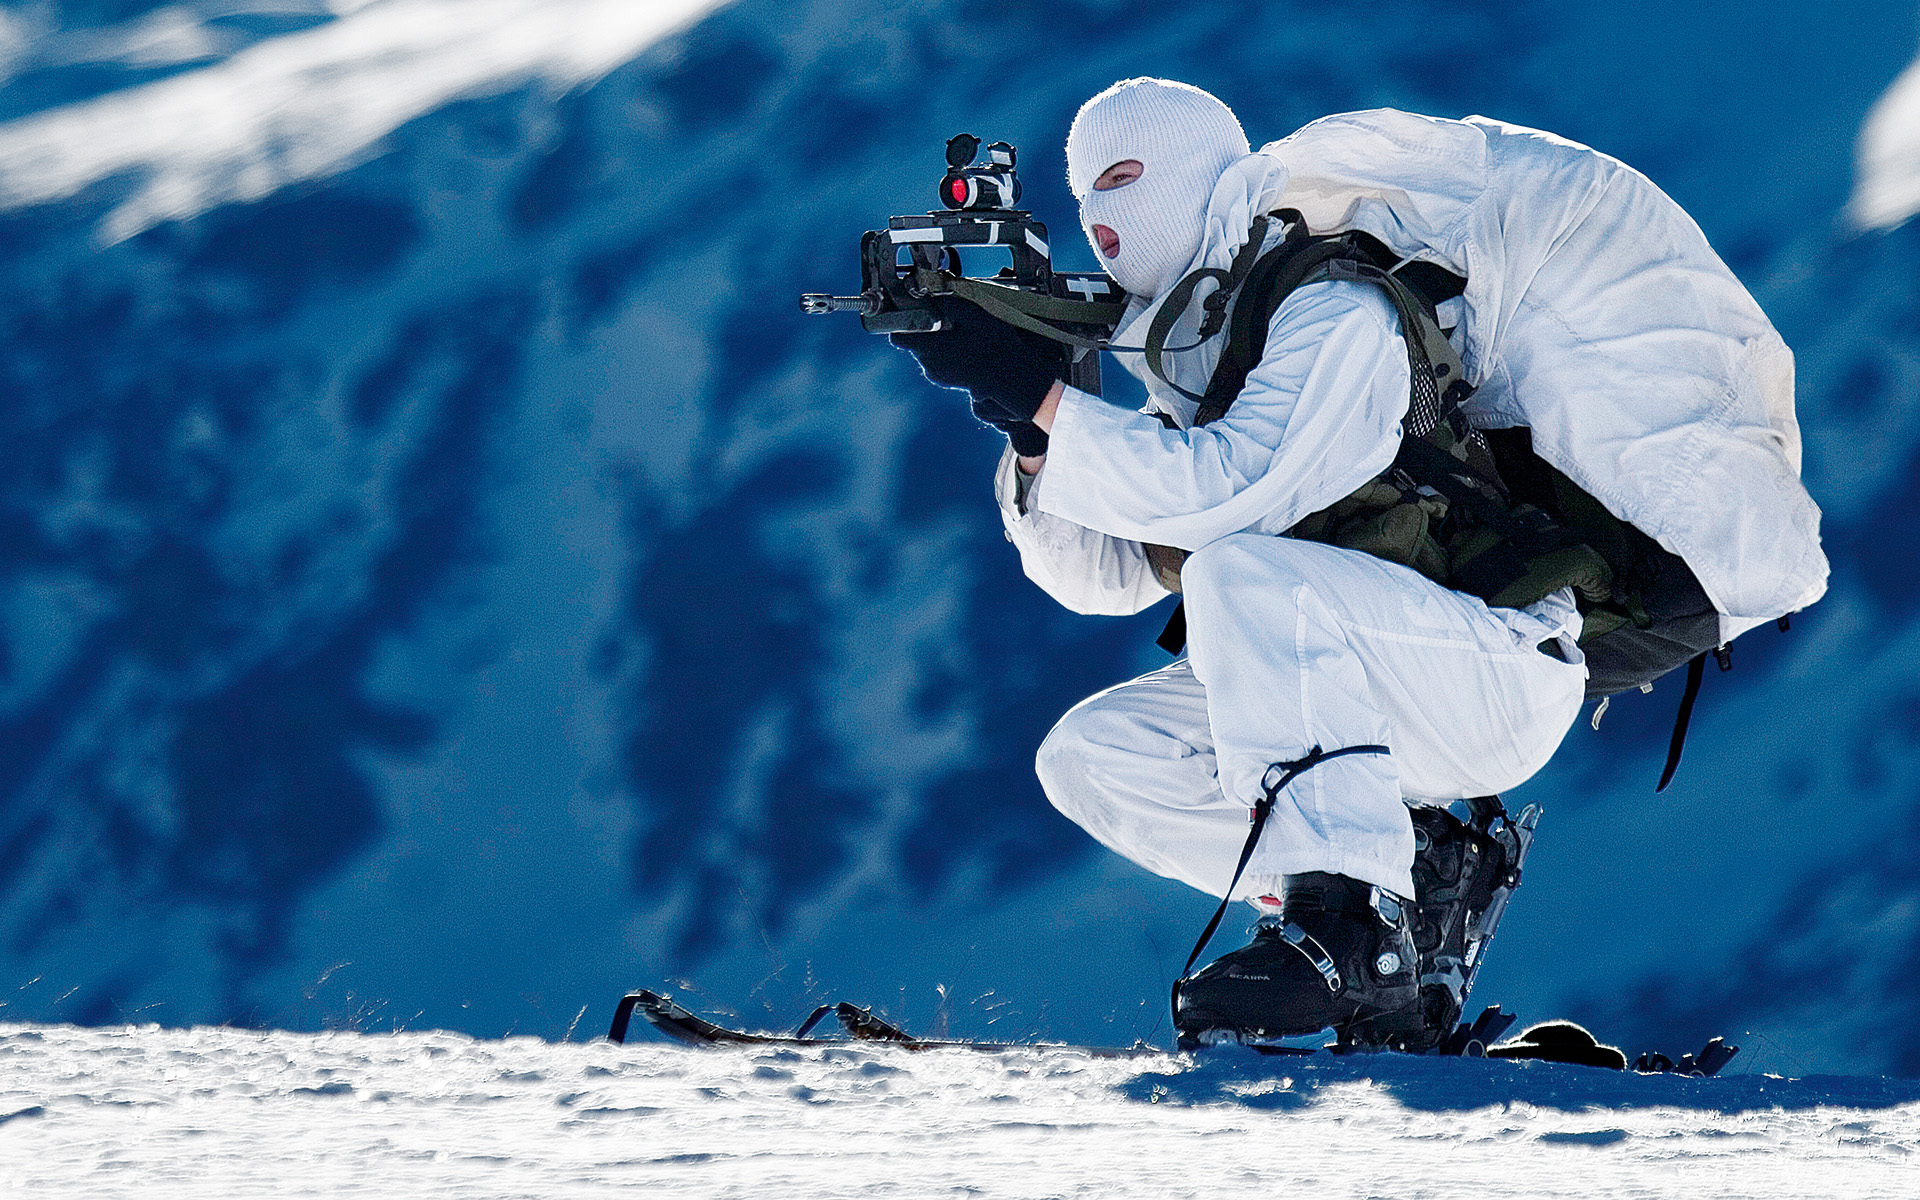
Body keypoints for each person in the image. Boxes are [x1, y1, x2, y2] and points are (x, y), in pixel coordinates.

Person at [890, 79, 1826, 1046]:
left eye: (1124, 180)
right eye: (1085, 201)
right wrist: (1027, 427)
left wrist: (1045, 399)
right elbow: (1100, 577)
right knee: (1096, 758)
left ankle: (1341, 932)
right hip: (1365, 678)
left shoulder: (1333, 301)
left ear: (1196, 171)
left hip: (1493, 667)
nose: (1102, 222)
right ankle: (1408, 904)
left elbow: (1240, 485)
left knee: (1236, 578)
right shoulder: (1198, 353)